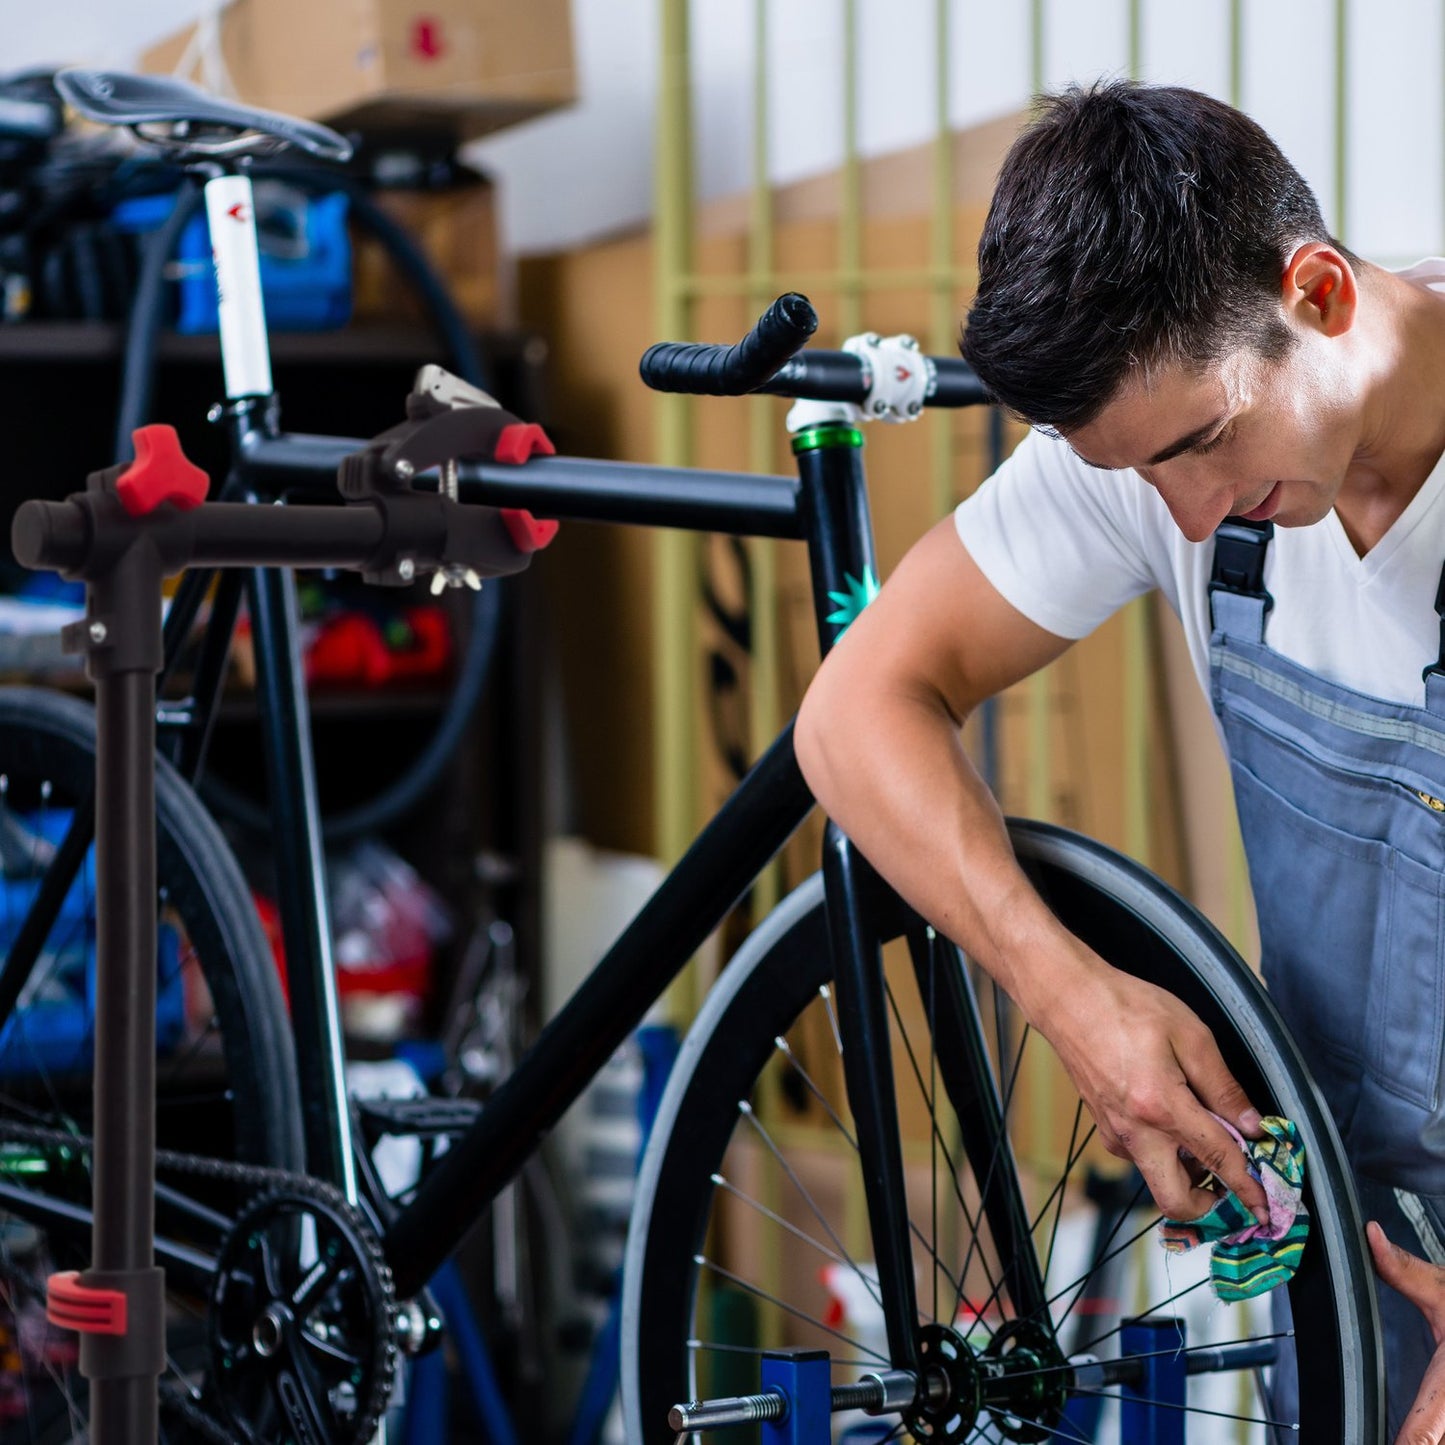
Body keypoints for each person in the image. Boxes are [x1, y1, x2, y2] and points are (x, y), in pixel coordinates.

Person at [794, 79, 1445, 1441]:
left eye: (1202, 446)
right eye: (1139, 473)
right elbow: (857, 710)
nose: (1188, 513)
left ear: (1316, 292)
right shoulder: (1164, 434)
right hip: (1350, 1254)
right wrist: (1069, 996)